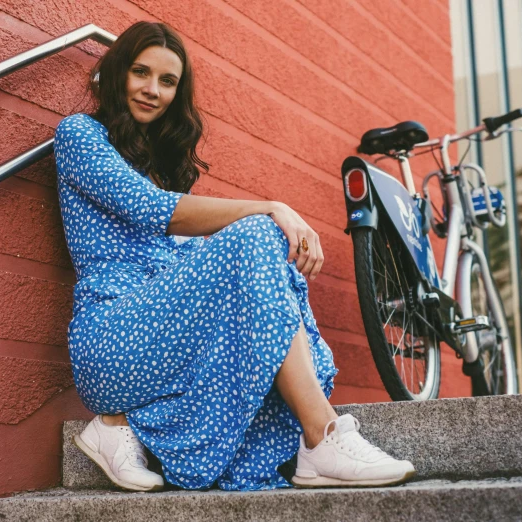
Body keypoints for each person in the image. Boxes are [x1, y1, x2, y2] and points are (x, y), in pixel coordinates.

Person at [53, 21, 415, 492]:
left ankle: (120, 425)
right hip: (111, 336)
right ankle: (321, 436)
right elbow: (150, 209)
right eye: (140, 73)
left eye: (168, 81)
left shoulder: (160, 168)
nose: (152, 90)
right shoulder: (80, 135)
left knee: (259, 261)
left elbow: (195, 245)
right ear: (117, 70)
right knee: (258, 233)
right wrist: (272, 207)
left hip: (163, 338)